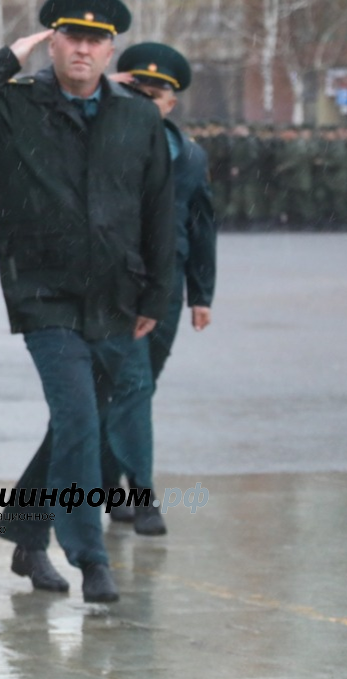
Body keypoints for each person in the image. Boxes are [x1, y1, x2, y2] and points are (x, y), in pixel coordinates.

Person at [0, 0, 174, 603]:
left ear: (110, 48)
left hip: (116, 297)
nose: (82, 48)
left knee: (80, 426)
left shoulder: (138, 116)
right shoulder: (14, 107)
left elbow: (157, 213)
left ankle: (26, 531)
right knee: (77, 419)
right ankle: (92, 559)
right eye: (71, 36)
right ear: (52, 41)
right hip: (44, 295)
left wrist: (157, 297)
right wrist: (6, 59)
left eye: (95, 40)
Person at [103, 42, 216, 534]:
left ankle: (110, 484)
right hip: (115, 284)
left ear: (172, 103)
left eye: (159, 96)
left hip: (165, 287)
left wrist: (202, 294)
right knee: (132, 385)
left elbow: (201, 225)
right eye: (138, 92)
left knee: (136, 388)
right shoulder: (102, 141)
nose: (149, 103)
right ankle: (142, 493)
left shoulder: (189, 154)